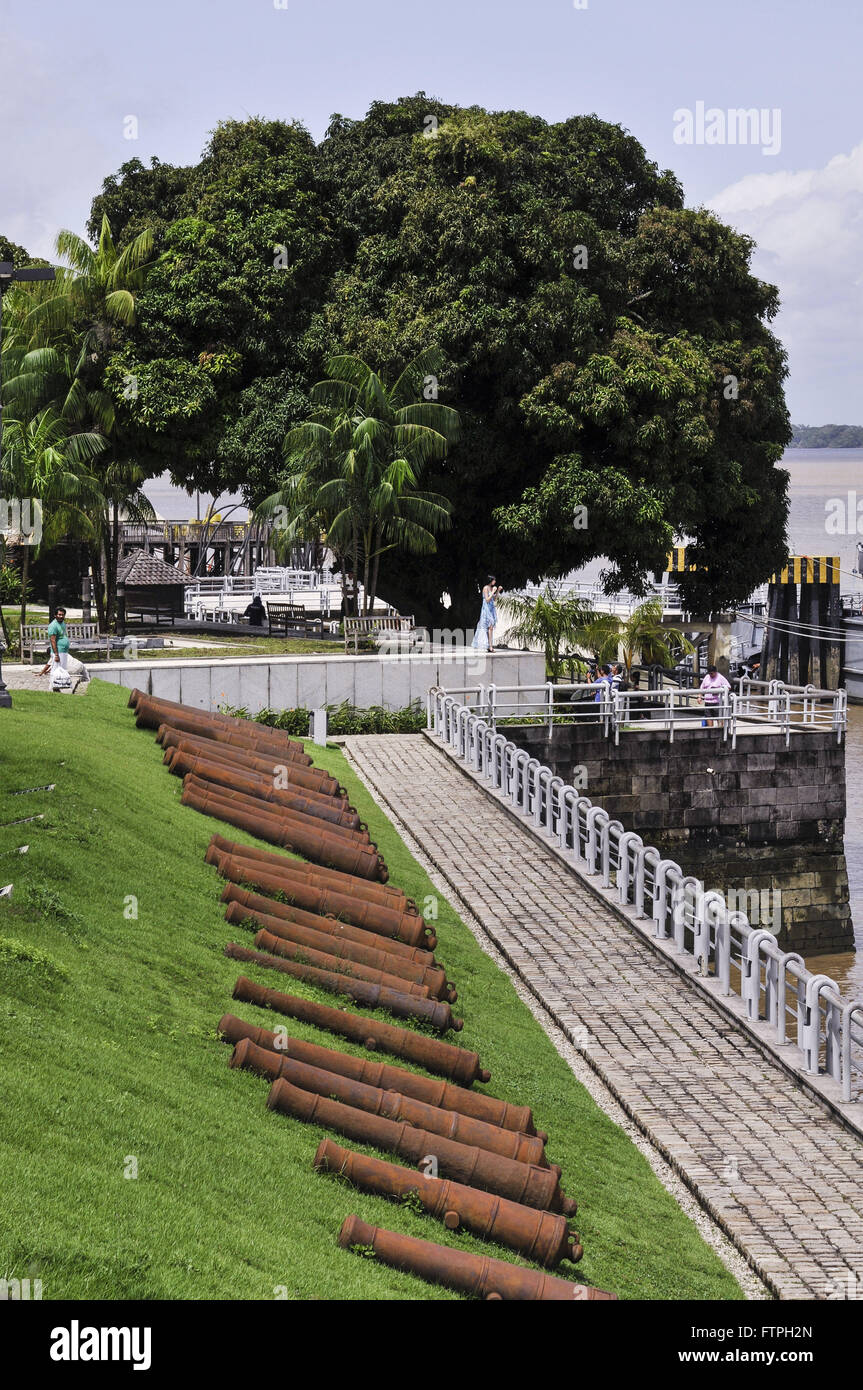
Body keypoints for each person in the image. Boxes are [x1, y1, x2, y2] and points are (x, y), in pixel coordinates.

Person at [472, 576, 503, 652]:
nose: (495, 581)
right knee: (487, 628)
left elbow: (494, 599)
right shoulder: (485, 588)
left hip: (491, 609)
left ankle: (490, 646)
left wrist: (498, 591)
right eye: (494, 580)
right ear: (490, 580)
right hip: (486, 610)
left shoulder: (492, 588)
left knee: (490, 628)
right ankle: (489, 646)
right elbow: (487, 600)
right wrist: (493, 592)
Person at [40, 606, 71, 678]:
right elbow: (53, 640)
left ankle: (60, 685)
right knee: (56, 670)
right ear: (55, 615)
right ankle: (54, 686)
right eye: (59, 614)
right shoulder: (53, 625)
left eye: (62, 615)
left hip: (64, 650)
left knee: (62, 670)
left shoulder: (62, 623)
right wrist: (56, 655)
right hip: (58, 651)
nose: (61, 616)